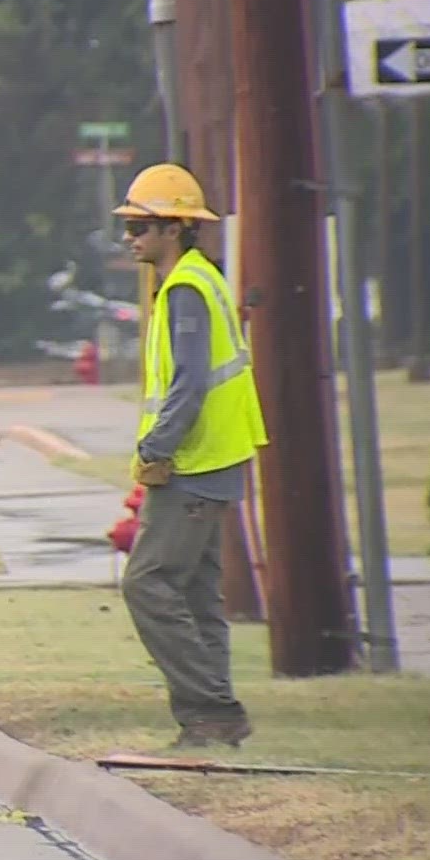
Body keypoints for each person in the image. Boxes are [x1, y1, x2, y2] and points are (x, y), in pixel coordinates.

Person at [113, 163, 268, 749]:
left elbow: (189, 382)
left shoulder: (185, 288)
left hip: (194, 464)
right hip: (213, 460)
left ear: (174, 228)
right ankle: (215, 721)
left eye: (139, 227)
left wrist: (157, 447)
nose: (130, 237)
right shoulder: (198, 277)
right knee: (198, 596)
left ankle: (210, 709)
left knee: (147, 584)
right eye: (129, 226)